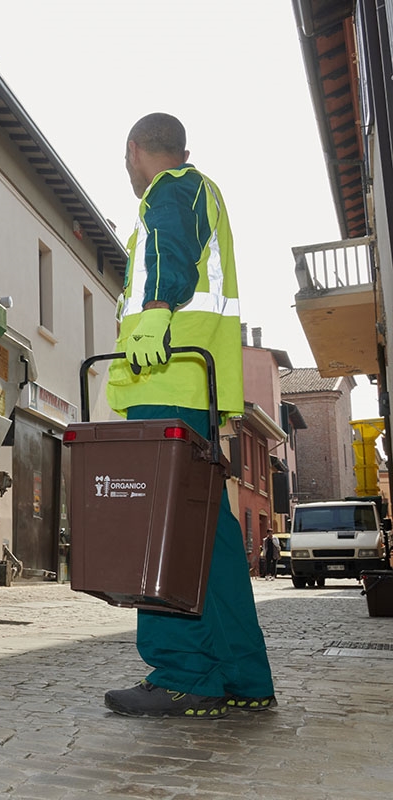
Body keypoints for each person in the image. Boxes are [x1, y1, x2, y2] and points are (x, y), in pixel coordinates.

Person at [102, 113, 276, 719]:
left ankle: (183, 673)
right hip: (196, 384)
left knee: (165, 527)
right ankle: (241, 674)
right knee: (214, 538)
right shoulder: (206, 193)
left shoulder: (170, 191)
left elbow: (167, 253)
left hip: (168, 374)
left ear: (135, 151)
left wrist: (152, 312)